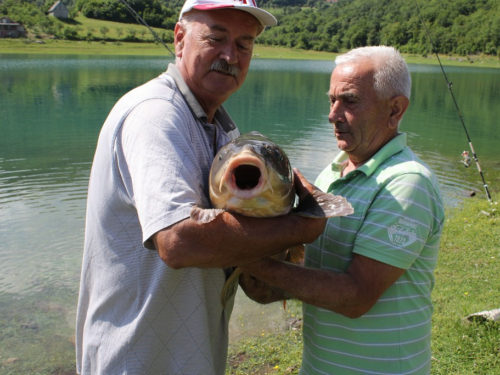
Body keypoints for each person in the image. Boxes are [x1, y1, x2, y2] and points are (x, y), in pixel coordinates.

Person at [75, 1, 328, 374]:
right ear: (180, 38)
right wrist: (304, 225)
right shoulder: (157, 115)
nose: (230, 56)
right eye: (216, 37)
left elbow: (233, 237)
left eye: (244, 45)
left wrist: (269, 267)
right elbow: (179, 242)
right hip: (138, 362)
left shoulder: (222, 130)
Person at [239, 46, 446, 374]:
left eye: (349, 101)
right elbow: (313, 271)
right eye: (331, 100)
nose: (333, 114)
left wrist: (242, 257)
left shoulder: (407, 183)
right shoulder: (333, 172)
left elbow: (356, 296)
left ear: (395, 110)